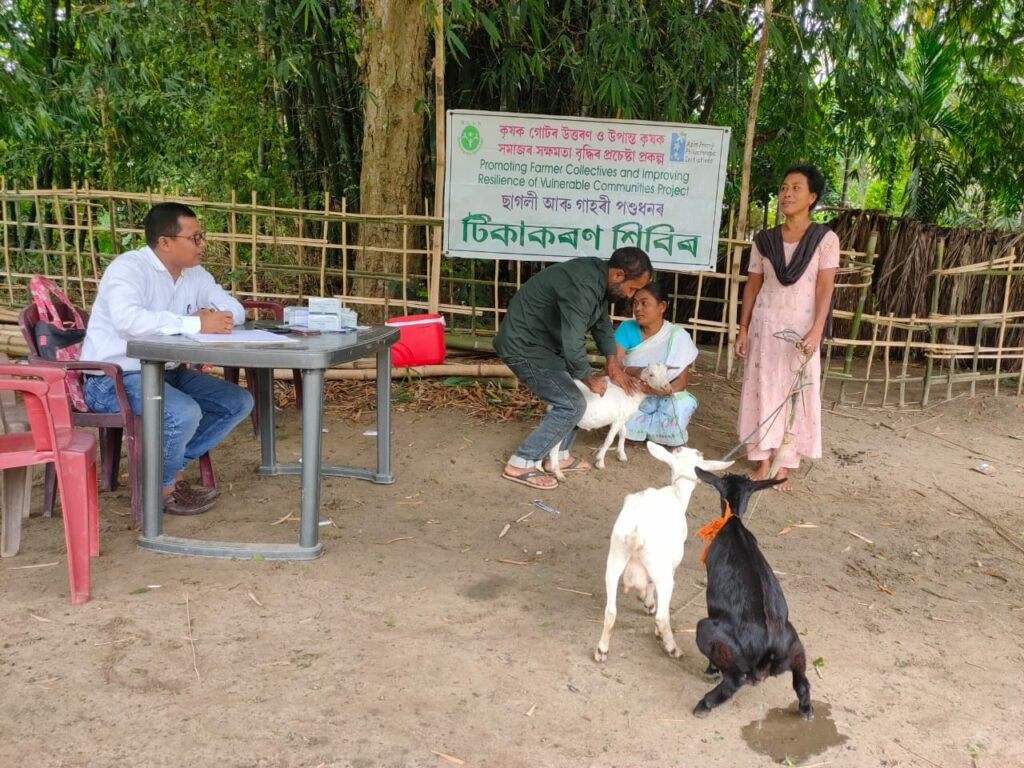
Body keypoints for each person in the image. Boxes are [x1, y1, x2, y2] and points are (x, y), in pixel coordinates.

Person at [81, 202, 254, 515]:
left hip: (165, 371)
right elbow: (129, 322)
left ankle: (165, 469)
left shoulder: (194, 274)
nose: (202, 244)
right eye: (195, 237)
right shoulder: (128, 269)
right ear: (165, 242)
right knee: (184, 412)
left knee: (237, 402)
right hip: (113, 378)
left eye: (202, 236)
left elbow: (236, 311)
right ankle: (161, 488)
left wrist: (213, 315)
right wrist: (195, 323)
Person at [494, 247, 653, 490]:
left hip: (543, 347)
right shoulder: (582, 286)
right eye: (631, 289)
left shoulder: (597, 280)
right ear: (618, 275)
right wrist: (587, 377)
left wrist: (613, 362)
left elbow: (601, 324)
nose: (630, 296)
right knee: (571, 403)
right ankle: (521, 462)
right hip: (524, 346)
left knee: (575, 399)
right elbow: (573, 338)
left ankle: (558, 456)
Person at [735, 164, 840, 492]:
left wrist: (815, 331)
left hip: (801, 328)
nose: (787, 194)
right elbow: (753, 285)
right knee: (761, 387)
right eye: (783, 187)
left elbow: (825, 288)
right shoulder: (764, 240)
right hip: (765, 326)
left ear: (812, 197)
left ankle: (784, 463)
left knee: (795, 393)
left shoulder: (825, 239)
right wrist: (743, 328)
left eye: (796, 188)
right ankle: (762, 459)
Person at [614, 281, 699, 446]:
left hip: (665, 395)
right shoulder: (626, 328)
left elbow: (681, 381)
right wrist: (636, 372)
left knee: (683, 404)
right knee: (620, 401)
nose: (637, 308)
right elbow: (614, 366)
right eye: (635, 303)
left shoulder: (678, 336)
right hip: (634, 391)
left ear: (662, 306)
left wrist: (658, 391)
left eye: (644, 303)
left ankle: (659, 434)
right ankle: (635, 432)